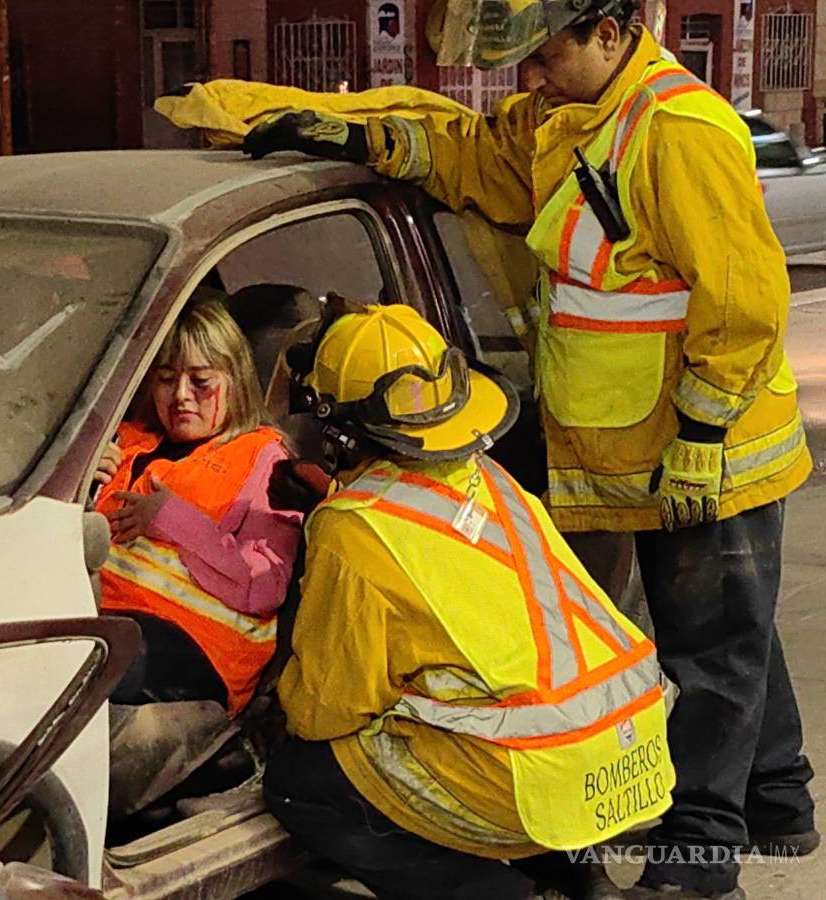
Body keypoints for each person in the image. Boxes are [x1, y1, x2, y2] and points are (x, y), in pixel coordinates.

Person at [243, 2, 814, 896]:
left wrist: (703, 434)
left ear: (613, 33)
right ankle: (780, 794)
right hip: (625, 438)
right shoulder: (566, 118)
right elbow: (481, 164)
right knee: (727, 627)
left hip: (714, 439)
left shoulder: (678, 129)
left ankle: (699, 861)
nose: (531, 78)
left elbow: (745, 302)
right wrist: (367, 139)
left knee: (712, 652)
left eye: (548, 56)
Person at [264, 300, 674, 900]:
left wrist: (282, 705)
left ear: (335, 428)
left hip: (531, 771)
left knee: (302, 781)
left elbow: (331, 706)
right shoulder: (493, 481)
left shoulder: (351, 529)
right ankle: (583, 880)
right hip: (623, 742)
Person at [94, 298, 302, 716]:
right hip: (101, 621)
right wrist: (83, 484)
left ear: (235, 380)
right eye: (166, 379)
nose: (181, 396)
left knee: (75, 667)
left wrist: (170, 520)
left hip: (199, 650)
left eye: (201, 381)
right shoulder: (124, 439)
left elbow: (263, 587)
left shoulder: (263, 458)